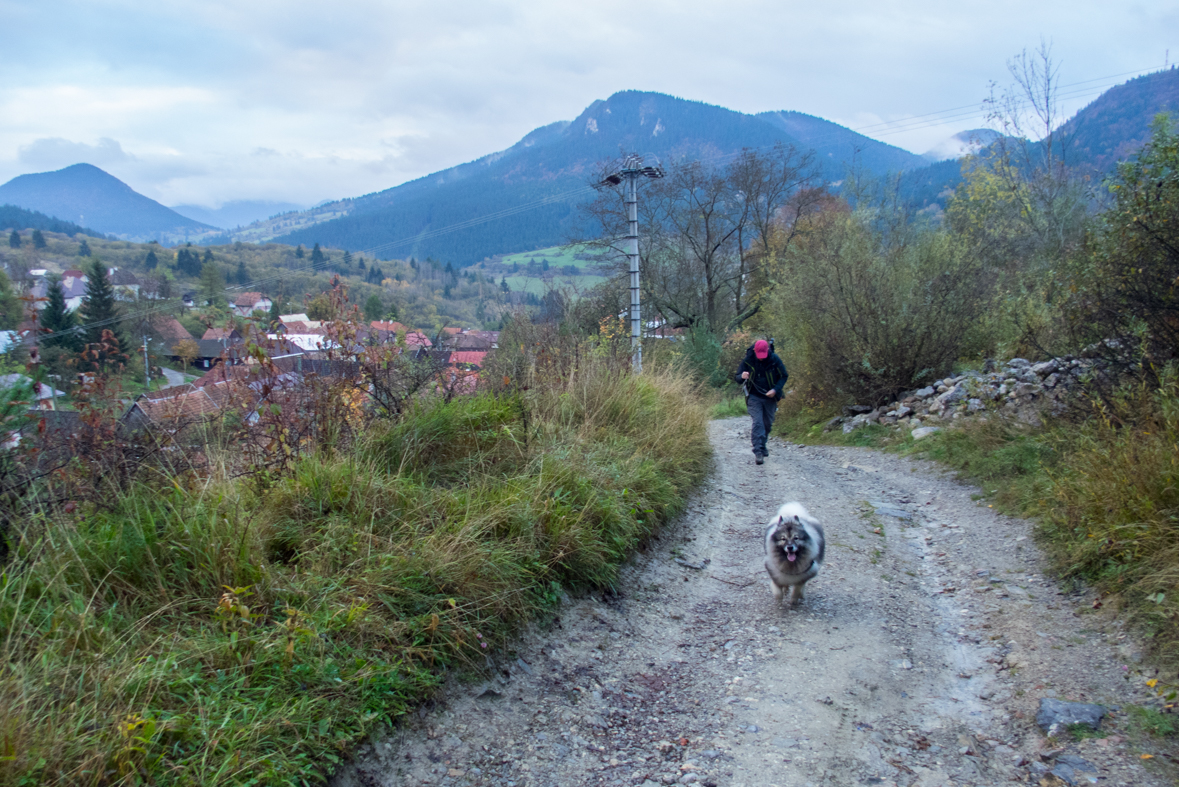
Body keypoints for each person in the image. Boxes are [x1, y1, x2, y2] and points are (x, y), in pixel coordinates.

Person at [734, 339, 788, 465]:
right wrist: (741, 376)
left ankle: (763, 445)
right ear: (754, 351)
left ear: (767, 350)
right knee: (758, 422)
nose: (761, 358)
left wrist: (775, 389)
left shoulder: (774, 360)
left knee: (767, 423)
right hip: (754, 396)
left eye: (764, 355)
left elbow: (784, 376)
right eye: (759, 355)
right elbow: (737, 377)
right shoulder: (748, 360)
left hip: (770, 396)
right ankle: (758, 451)